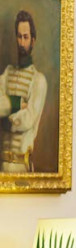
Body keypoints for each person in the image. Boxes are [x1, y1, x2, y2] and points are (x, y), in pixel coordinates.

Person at [0, 10, 47, 173]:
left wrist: (5, 120)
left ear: (33, 40)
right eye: (19, 36)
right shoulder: (7, 73)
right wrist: (17, 104)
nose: (21, 42)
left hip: (21, 167)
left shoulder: (39, 80)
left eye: (25, 37)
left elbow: (27, 120)